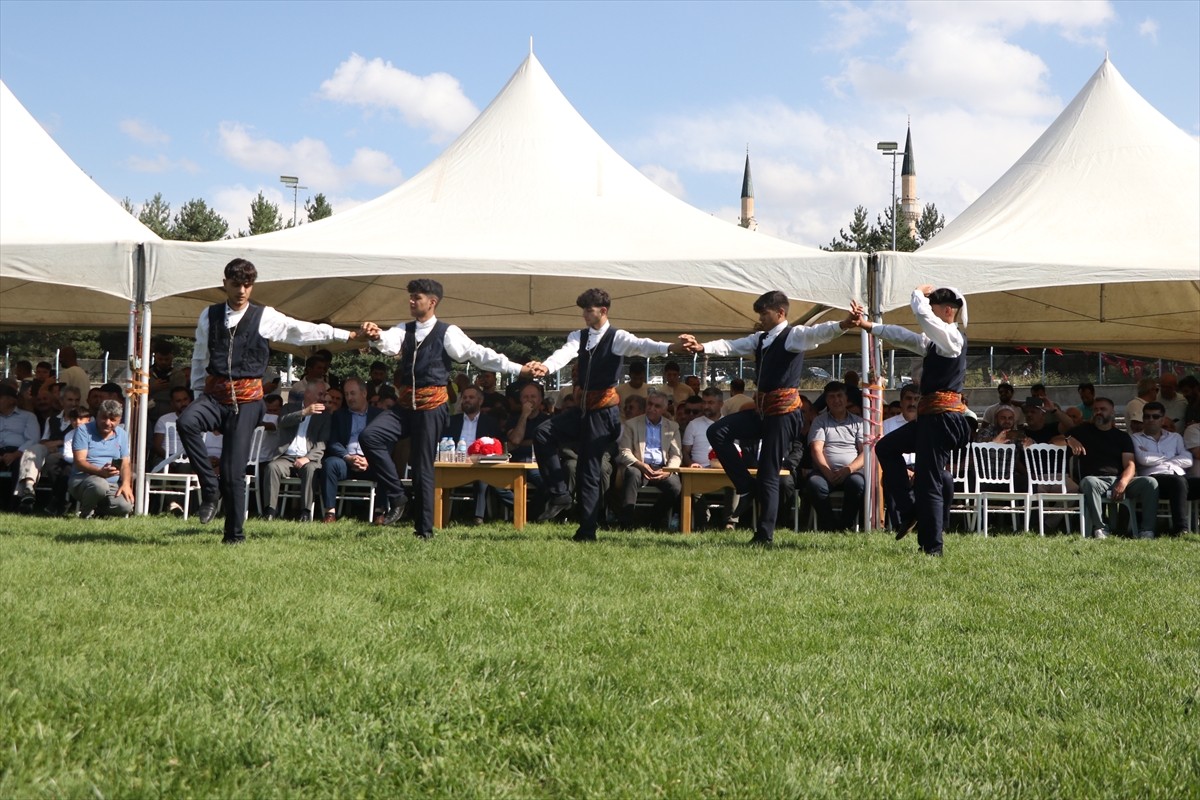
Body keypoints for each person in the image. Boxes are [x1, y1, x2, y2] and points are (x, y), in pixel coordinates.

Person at [178, 258, 365, 544]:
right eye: (236, 284)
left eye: (247, 285)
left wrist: (346, 334)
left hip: (249, 401)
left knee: (233, 469)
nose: (242, 290)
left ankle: (234, 534)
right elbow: (200, 357)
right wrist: (197, 395)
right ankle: (209, 489)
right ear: (225, 283)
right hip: (214, 396)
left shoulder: (264, 316)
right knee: (187, 421)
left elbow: (303, 331)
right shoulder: (209, 315)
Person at [360, 278, 536, 539]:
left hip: (432, 407)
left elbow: (479, 354)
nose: (410, 301)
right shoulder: (403, 329)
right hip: (406, 405)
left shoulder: (447, 332)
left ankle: (424, 531)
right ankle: (397, 496)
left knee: (422, 467)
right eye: (410, 297)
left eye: (416, 297)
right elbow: (388, 343)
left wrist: (518, 369)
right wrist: (375, 335)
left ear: (432, 302)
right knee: (370, 436)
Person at [681, 290, 858, 545]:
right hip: (764, 412)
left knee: (768, 473)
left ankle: (764, 534)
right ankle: (745, 486)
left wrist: (843, 324)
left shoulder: (793, 336)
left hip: (785, 415)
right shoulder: (761, 339)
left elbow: (817, 333)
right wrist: (702, 347)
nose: (761, 318)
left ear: (780, 313)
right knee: (717, 432)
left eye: (764, 313)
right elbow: (732, 345)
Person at [533, 288, 691, 541]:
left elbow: (643, 346)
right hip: (583, 411)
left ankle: (587, 530)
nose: (584, 315)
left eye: (589, 310)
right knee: (542, 433)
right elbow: (564, 354)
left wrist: (671, 346)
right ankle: (560, 493)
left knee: (588, 469)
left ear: (603, 311)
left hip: (604, 415)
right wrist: (546, 366)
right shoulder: (579, 336)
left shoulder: (617, 337)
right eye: (583, 310)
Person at [852, 286, 974, 556]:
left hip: (943, 419)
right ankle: (910, 512)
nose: (929, 313)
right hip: (933, 418)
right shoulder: (937, 343)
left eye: (933, 308)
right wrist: (868, 325)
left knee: (928, 481)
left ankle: (932, 548)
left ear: (947, 310)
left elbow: (922, 317)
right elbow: (903, 336)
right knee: (886, 447)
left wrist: (917, 293)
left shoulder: (951, 338)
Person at [1056, 396, 1158, 539]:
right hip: (1095, 481)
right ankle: (1101, 528)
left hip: (1119, 480)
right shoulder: (1083, 431)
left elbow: (1130, 464)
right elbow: (1054, 441)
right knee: (1089, 482)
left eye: (1103, 409)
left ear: (1112, 413)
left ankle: (1147, 530)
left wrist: (1123, 482)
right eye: (1096, 409)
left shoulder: (1122, 437)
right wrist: (1069, 439)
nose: (1098, 412)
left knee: (1150, 483)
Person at [262, 380, 330, 521]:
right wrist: (304, 412)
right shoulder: (289, 408)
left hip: (308, 458)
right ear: (308, 394)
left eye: (324, 394)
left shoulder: (325, 415)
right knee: (272, 467)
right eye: (320, 394)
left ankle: (305, 512)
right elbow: (282, 422)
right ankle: (270, 511)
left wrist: (308, 458)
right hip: (286, 456)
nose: (323, 398)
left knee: (311, 469)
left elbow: (322, 443)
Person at [804, 381, 866, 531]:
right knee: (814, 484)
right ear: (826, 400)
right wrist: (828, 472)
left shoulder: (858, 422)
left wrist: (848, 469)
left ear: (846, 399)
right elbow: (816, 449)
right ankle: (829, 525)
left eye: (839, 396)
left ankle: (845, 525)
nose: (836, 400)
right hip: (825, 473)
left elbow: (865, 452)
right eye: (831, 397)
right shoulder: (820, 421)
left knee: (857, 484)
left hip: (851, 472)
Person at [615, 391, 682, 529]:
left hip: (662, 467)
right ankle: (626, 523)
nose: (652, 408)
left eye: (657, 406)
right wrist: (640, 465)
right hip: (639, 465)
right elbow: (624, 451)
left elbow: (676, 454)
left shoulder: (672, 427)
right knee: (632, 474)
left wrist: (667, 471)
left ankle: (653, 520)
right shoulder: (631, 424)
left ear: (663, 409)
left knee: (675, 486)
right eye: (650, 404)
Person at [320, 377, 381, 523]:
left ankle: (380, 512)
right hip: (346, 462)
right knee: (330, 464)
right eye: (346, 394)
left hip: (370, 462)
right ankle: (330, 513)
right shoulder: (340, 415)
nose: (349, 398)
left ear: (364, 393)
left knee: (385, 466)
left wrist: (369, 459)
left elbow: (386, 443)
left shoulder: (379, 415)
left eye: (352, 393)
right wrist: (348, 457)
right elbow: (333, 442)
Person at [1131, 401, 1192, 535]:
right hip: (1154, 480)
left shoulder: (1175, 437)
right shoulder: (1136, 438)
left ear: (1163, 419)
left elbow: (1188, 460)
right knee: (1178, 482)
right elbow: (1143, 459)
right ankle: (1181, 530)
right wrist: (1172, 455)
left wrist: (1156, 456)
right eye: (1147, 416)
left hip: (1178, 476)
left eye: (1155, 416)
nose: (1150, 420)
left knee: (1185, 482)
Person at [447, 386, 505, 525]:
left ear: (480, 401)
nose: (467, 400)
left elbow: (497, 447)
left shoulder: (490, 422)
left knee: (482, 477)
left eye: (471, 397)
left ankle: (478, 517)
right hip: (454, 463)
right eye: (465, 397)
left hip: (479, 463)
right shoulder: (452, 421)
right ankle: (438, 515)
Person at [68, 399, 133, 518]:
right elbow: (79, 461)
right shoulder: (83, 431)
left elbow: (125, 464)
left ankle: (98, 510)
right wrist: (100, 472)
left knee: (125, 507)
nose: (108, 422)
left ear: (119, 420)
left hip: (112, 484)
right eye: (104, 417)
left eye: (113, 419)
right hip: (83, 480)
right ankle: (86, 513)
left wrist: (125, 484)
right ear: (97, 415)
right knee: (99, 485)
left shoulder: (122, 434)